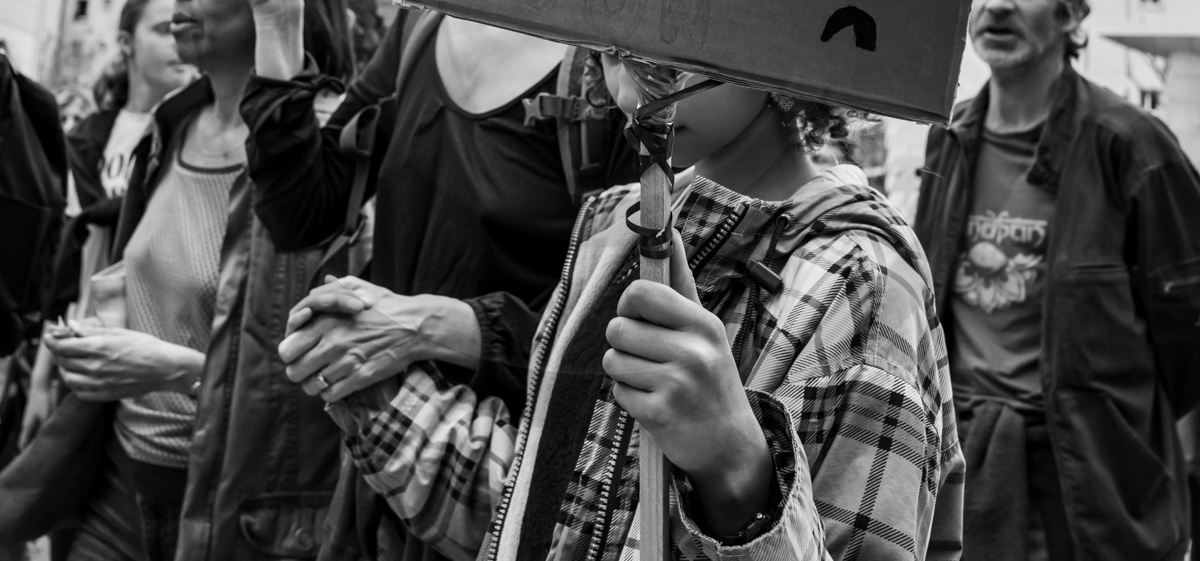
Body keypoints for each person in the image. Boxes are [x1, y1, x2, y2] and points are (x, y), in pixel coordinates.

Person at [281, 58, 965, 561]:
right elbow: (549, 511)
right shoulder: (612, 226)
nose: (633, 89)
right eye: (612, 48)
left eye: (675, 52)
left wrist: (738, 471)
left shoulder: (860, 281)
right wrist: (373, 386)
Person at [229, 0, 638, 561]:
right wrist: (279, 18)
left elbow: (612, 336)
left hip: (502, 491)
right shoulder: (422, 22)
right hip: (380, 468)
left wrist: (430, 326)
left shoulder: (616, 72)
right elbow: (302, 212)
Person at [43, 0, 355, 561]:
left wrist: (177, 368)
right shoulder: (172, 125)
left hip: (232, 512)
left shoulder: (326, 157)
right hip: (117, 485)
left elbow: (324, 384)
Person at [914, 0, 1200, 561]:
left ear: (1069, 15)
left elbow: (1189, 328)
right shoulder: (949, 137)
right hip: (971, 469)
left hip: (1092, 474)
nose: (999, 4)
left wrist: (1114, 418)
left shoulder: (1129, 143)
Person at [20, 0, 195, 450]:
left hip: (155, 358)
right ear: (125, 44)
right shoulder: (85, 139)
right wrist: (42, 376)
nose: (179, 40)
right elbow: (67, 268)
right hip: (81, 346)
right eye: (164, 29)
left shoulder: (194, 138)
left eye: (183, 26)